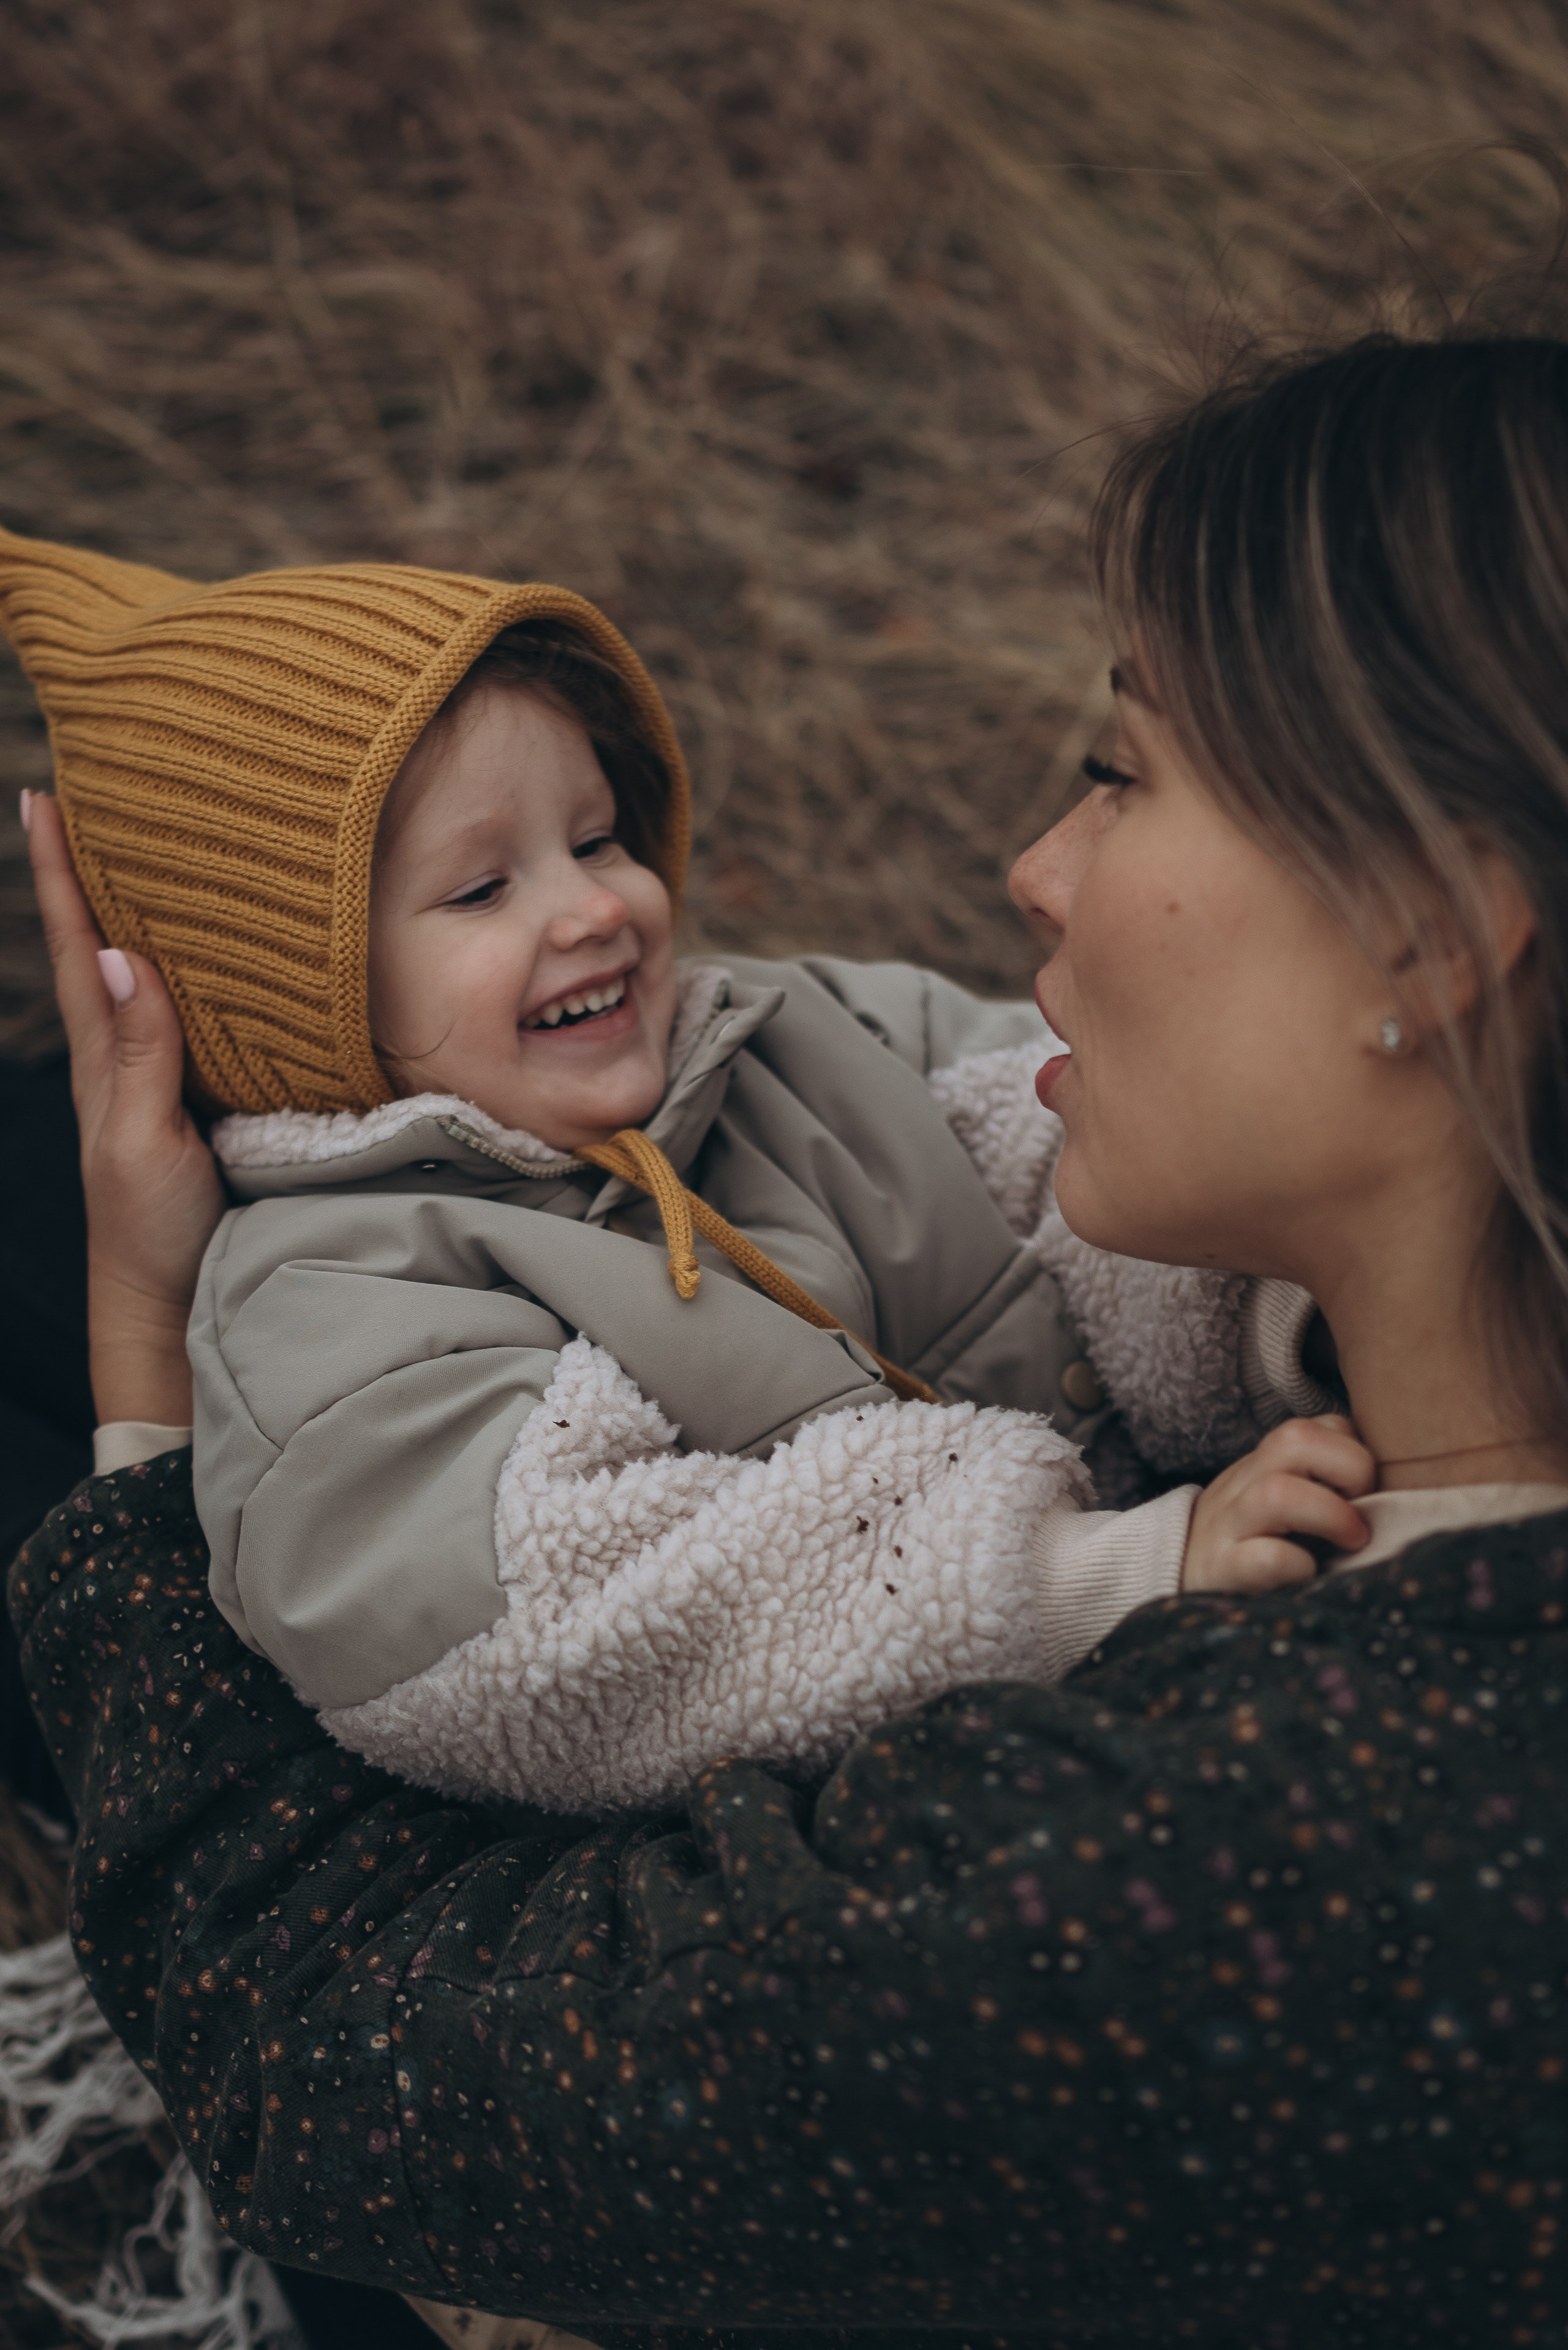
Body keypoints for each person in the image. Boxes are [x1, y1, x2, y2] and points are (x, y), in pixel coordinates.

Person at [10, 328, 1568, 2347]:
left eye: (1122, 768)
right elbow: (996, 1115)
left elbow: (311, 2051)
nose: (1032, 867)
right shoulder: (1364, 1389)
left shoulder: (1195, 1856)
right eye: (484, 881)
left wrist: (146, 1360)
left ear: (1435, 928)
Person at [1, 528, 1349, 1818]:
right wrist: (1094, 1573)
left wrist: (1282, 1302)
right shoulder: (337, 1304)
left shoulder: (778, 1032)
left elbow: (1059, 1132)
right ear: (295, 993)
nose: (594, 906)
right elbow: (593, 1614)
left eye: (595, 839)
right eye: (481, 891)